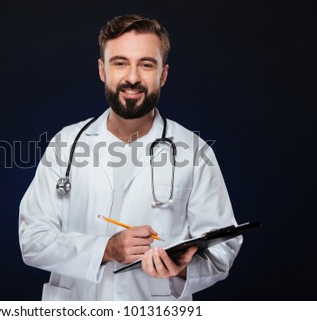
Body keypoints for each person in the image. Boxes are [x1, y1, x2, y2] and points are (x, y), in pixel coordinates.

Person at [19, 14, 242, 300]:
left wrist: (182, 267)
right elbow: (32, 241)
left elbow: (222, 251)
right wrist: (106, 249)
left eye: (146, 65)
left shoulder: (195, 153)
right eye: (120, 63)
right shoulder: (66, 144)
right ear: (102, 70)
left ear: (163, 74)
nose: (133, 77)